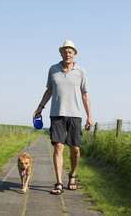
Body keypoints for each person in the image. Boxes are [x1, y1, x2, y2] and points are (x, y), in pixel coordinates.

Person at [34, 40, 93, 195]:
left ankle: (72, 175)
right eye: (65, 51)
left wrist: (89, 117)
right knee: (58, 147)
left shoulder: (81, 71)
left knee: (75, 149)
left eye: (70, 51)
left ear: (74, 54)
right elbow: (49, 91)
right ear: (61, 53)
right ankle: (59, 182)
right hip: (57, 114)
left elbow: (85, 95)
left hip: (75, 115)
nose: (67, 53)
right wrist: (40, 108)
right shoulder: (53, 70)